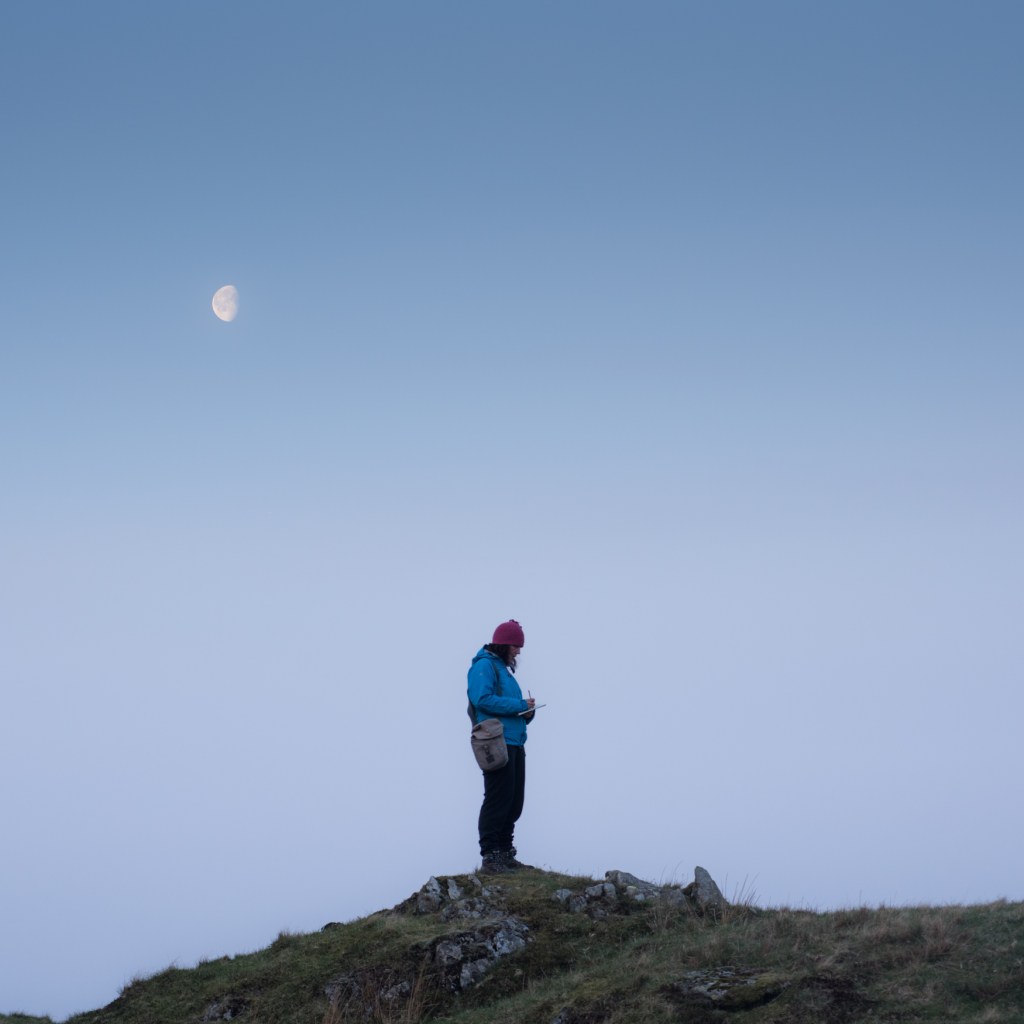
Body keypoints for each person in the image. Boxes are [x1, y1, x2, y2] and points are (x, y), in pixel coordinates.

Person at [467, 619, 537, 874]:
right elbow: (482, 699)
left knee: (514, 801)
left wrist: (527, 713)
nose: (518, 652)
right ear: (503, 644)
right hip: (496, 742)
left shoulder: (503, 670)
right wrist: (519, 705)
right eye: (515, 646)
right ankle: (491, 856)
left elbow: (507, 708)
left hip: (515, 741)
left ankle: (506, 853)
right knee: (498, 799)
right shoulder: (484, 666)